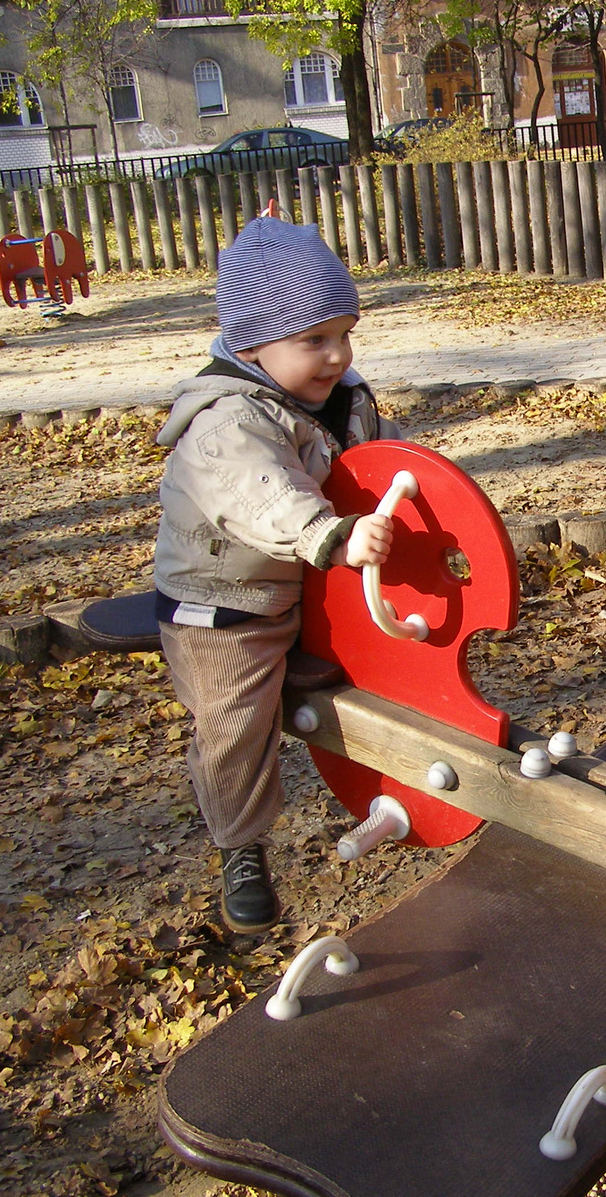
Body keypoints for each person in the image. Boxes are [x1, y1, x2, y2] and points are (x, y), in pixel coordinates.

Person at [154, 215, 400, 934]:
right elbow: (263, 494)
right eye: (314, 340)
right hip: (226, 606)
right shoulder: (227, 420)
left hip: (308, 583)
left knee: (371, 660)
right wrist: (329, 535)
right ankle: (240, 843)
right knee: (237, 724)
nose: (336, 355)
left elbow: (375, 462)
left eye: (345, 333)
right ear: (252, 345)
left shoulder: (337, 395)